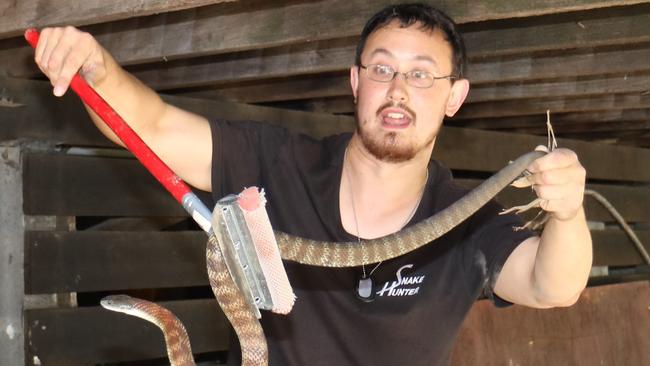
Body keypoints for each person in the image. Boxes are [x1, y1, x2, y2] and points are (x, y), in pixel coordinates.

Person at [33, 3, 592, 365]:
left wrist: (567, 214)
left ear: (454, 96)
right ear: (355, 82)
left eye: (421, 74)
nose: (398, 89)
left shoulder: (469, 219)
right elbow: (150, 127)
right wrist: (97, 70)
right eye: (381, 68)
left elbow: (553, 287)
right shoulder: (274, 164)